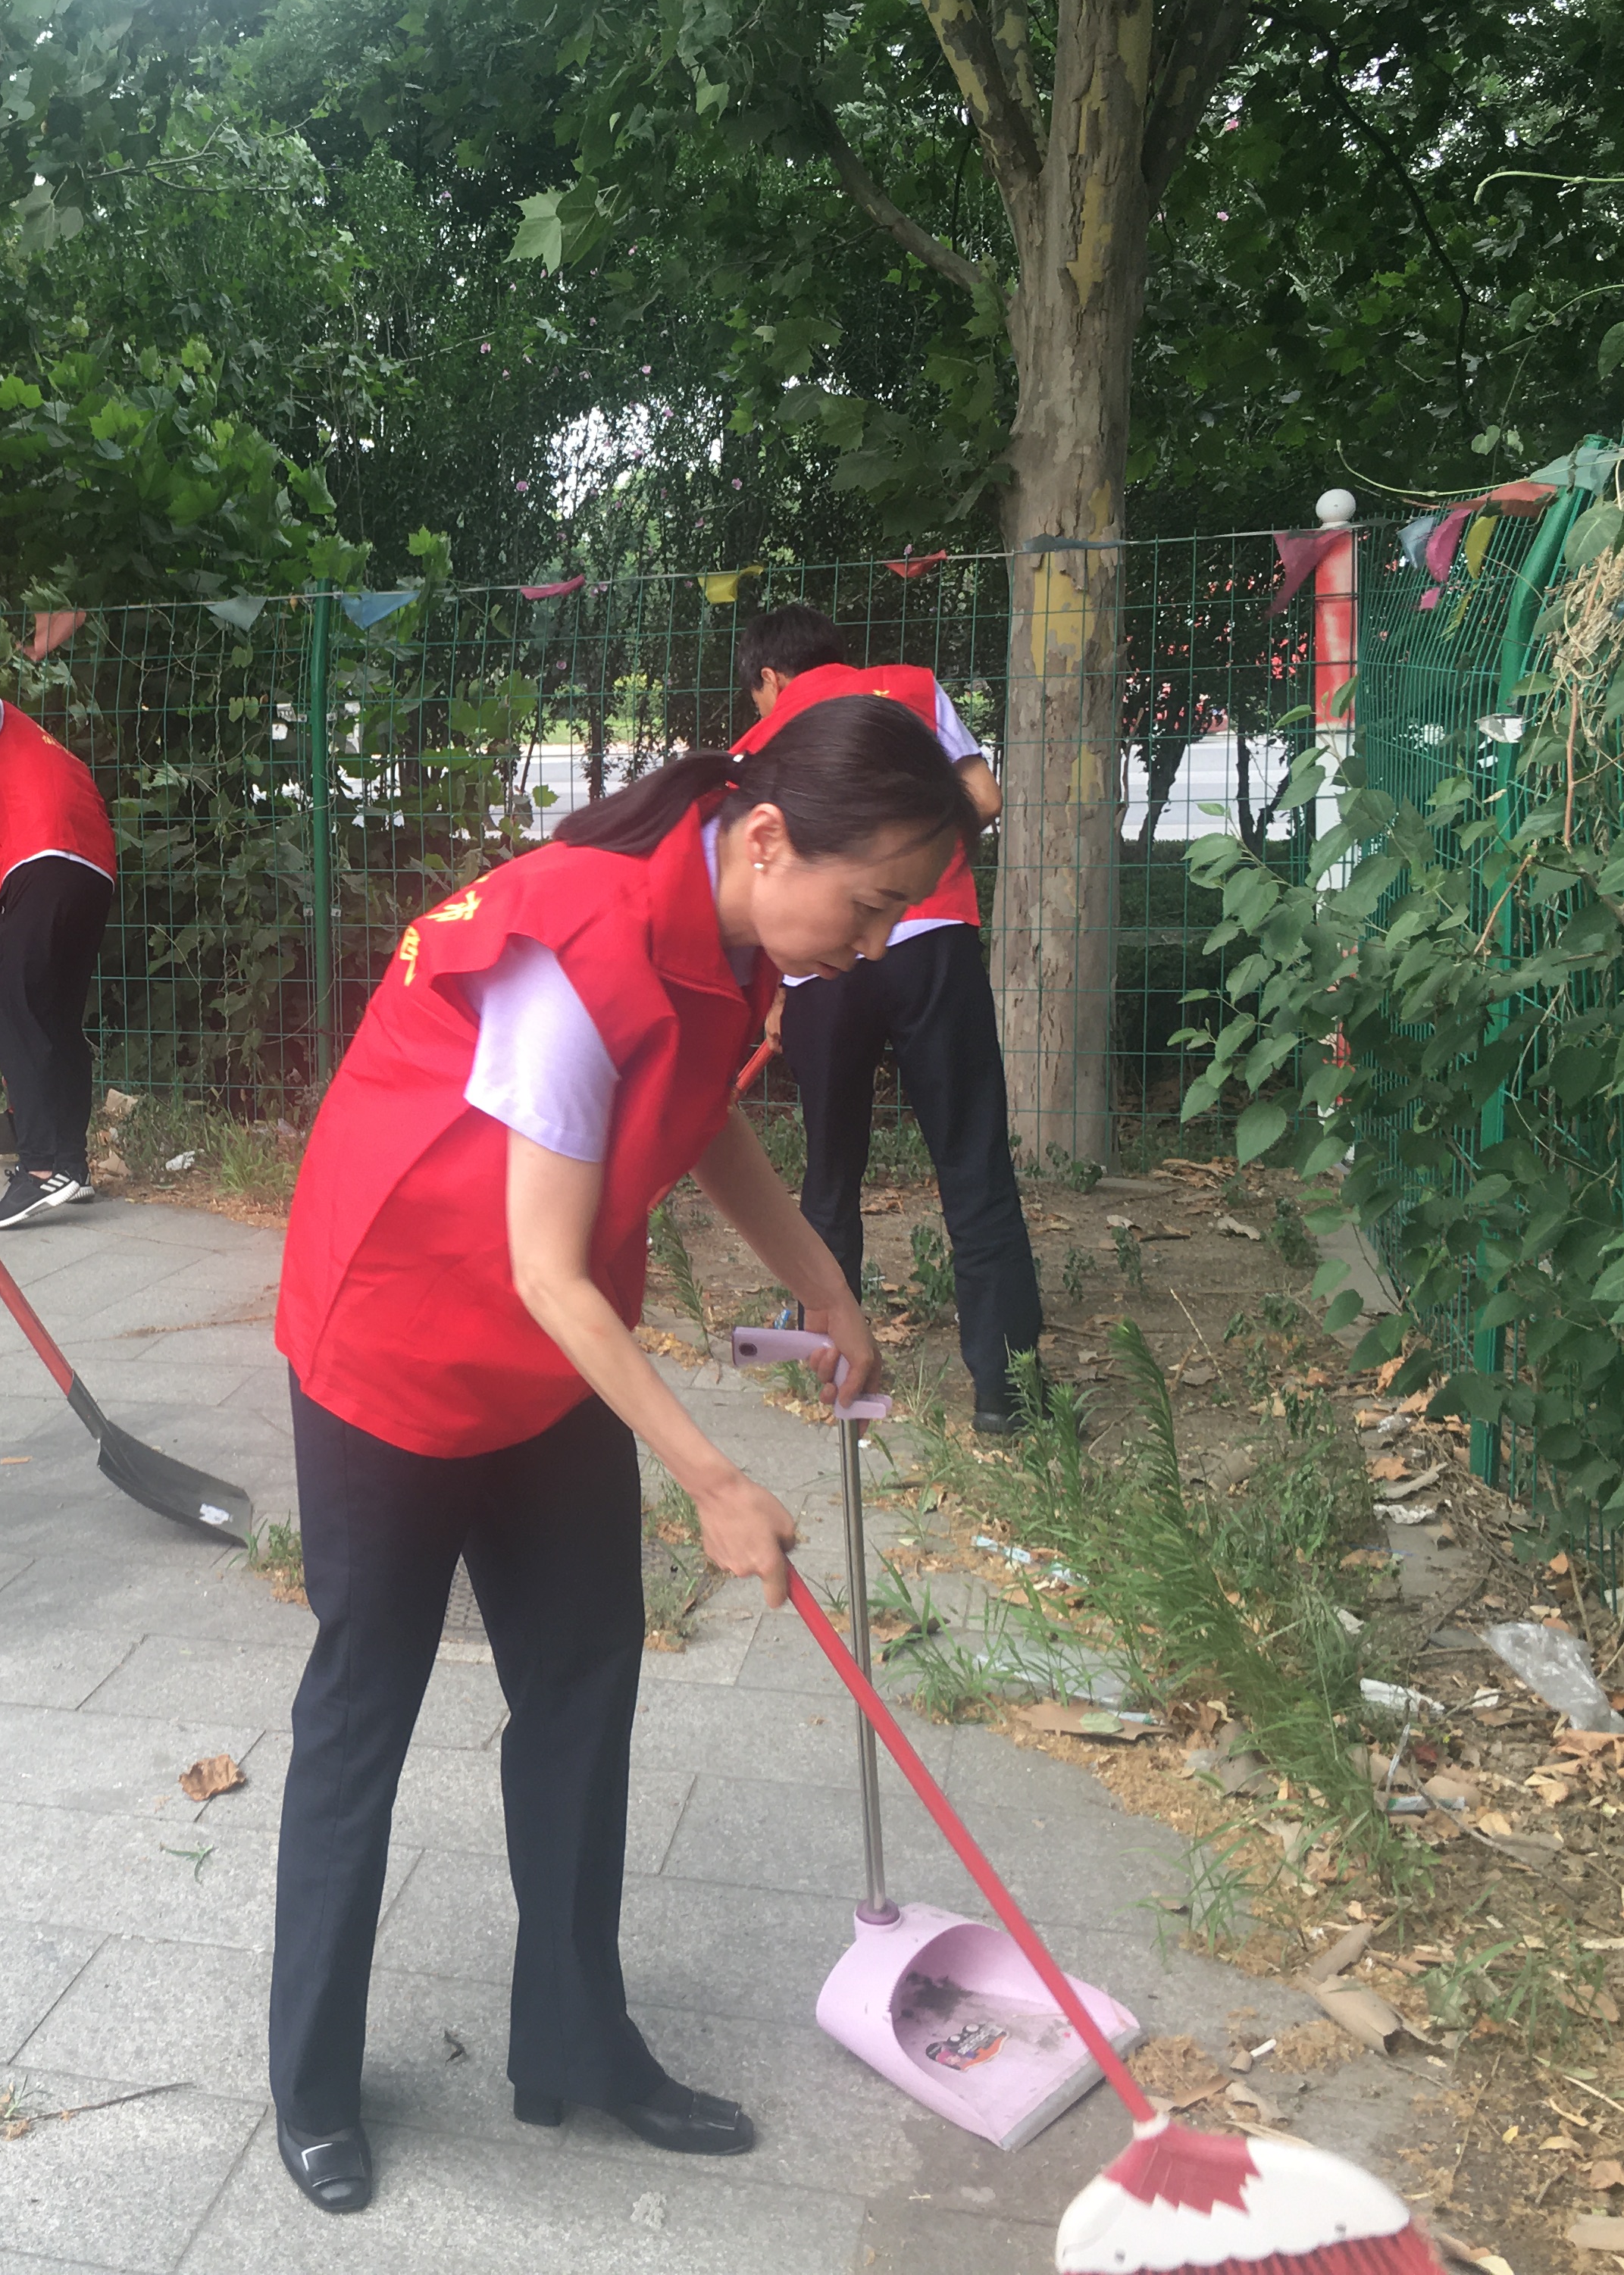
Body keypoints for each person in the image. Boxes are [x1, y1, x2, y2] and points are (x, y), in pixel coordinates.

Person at [264, 696, 971, 2214]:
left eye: (897, 915)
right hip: (398, 1344)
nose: (872, 944)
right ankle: (310, 2079)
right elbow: (544, 1267)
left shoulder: (737, 933)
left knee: (585, 1685)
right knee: (363, 1711)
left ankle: (576, 2044)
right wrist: (715, 1478)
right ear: (770, 838)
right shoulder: (572, 946)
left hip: (545, 1357)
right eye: (870, 905)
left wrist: (823, 1281)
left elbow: (698, 1114)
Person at [733, 604, 1044, 1435]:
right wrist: (911, 867)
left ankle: (828, 1371)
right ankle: (1007, 1397)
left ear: (771, 678)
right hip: (932, 939)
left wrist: (778, 994)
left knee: (830, 1168)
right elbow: (983, 795)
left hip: (820, 965)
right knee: (973, 1162)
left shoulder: (763, 741)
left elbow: (763, 887)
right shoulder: (912, 687)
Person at [0, 662, 117, 1227]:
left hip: (44, 858)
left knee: (16, 1009)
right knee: (56, 1018)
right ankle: (71, 1167)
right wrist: (8, 950)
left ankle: (38, 1167)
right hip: (92, 873)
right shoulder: (52, 756)